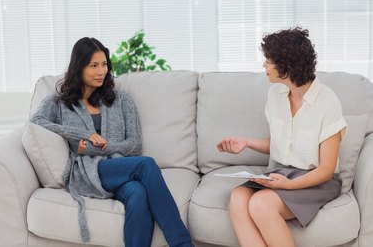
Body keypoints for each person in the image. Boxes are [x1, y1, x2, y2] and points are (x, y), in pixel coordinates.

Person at [30, 37, 194, 247]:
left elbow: (134, 145)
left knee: (138, 193)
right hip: (88, 172)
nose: (101, 71)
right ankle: (182, 244)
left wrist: (100, 146)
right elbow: (36, 121)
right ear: (79, 67)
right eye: (94, 65)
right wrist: (81, 134)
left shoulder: (121, 99)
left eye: (104, 64)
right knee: (145, 164)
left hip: (119, 169)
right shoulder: (58, 102)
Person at [217, 27, 347, 247]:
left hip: (317, 179)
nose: (264, 66)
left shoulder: (327, 102)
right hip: (282, 172)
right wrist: (246, 142)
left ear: (286, 65)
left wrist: (288, 186)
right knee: (238, 198)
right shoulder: (275, 95)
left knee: (261, 204)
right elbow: (284, 145)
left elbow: (326, 169)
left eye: (268, 61)